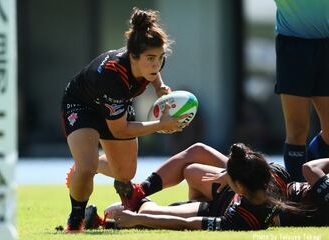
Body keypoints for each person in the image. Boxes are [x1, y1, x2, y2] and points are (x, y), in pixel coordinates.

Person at [61, 7, 188, 232]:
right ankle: (76, 217)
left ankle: (85, 166)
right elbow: (120, 130)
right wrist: (160, 125)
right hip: (82, 105)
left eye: (160, 58)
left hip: (115, 104)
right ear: (133, 56)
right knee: (87, 166)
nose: (156, 64)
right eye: (150, 59)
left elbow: (154, 72)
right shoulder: (112, 76)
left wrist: (159, 87)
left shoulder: (153, 62)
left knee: (125, 174)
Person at [84, 143, 298, 231]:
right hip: (227, 194)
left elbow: (186, 222)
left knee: (150, 213)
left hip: (215, 209)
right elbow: (247, 167)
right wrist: (227, 174)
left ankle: (117, 216)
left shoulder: (240, 220)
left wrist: (138, 219)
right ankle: (139, 192)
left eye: (229, 176)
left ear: (239, 187)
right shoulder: (276, 173)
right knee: (194, 159)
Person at [273, 0, 329, 181]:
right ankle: (296, 193)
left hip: (326, 45)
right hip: (292, 46)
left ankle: (310, 184)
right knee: (297, 129)